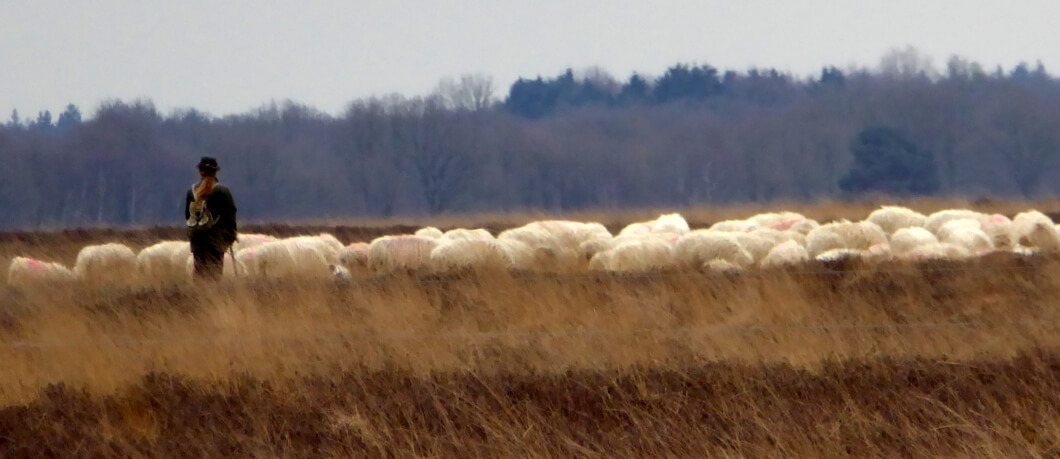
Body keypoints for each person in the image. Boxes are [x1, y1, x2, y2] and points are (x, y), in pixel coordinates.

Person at [185, 156, 237, 280]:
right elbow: (230, 215)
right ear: (216, 172)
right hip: (216, 240)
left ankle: (198, 297)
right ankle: (212, 297)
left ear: (200, 171)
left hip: (197, 240)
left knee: (199, 272)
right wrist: (231, 235)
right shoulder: (223, 191)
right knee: (215, 274)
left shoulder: (191, 191)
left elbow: (188, 215)